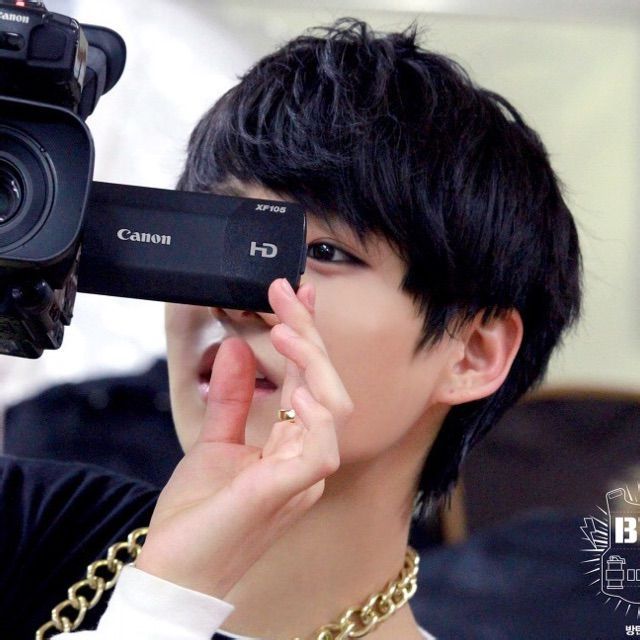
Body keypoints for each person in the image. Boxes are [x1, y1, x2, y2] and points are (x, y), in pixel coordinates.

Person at [0, 18, 581, 640]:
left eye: (324, 252)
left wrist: (166, 604)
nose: (235, 301)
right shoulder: (21, 516)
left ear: (472, 354)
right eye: (212, 236)